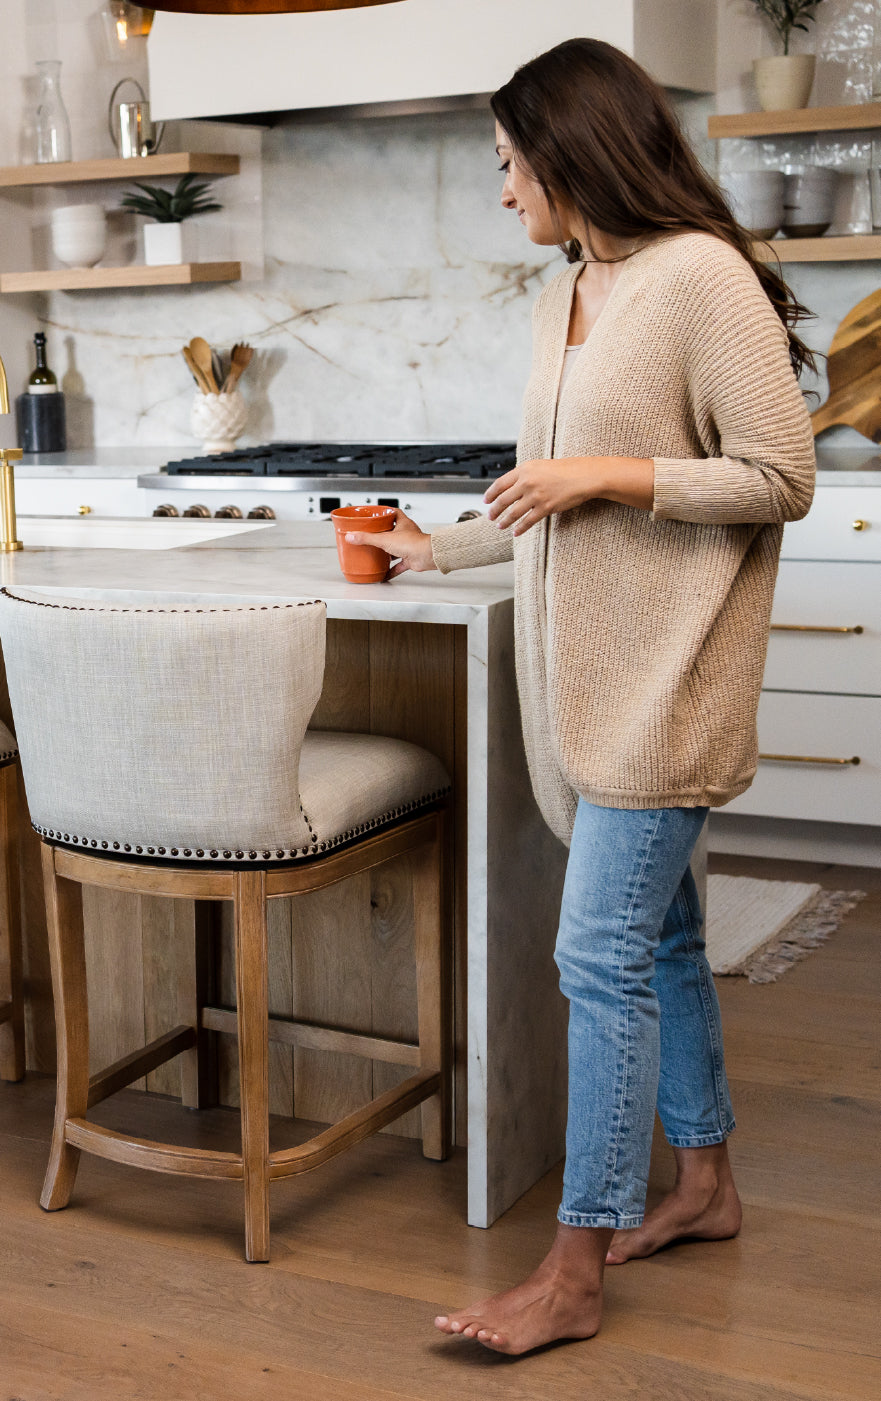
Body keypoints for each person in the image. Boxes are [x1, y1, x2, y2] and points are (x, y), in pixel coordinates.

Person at [344, 38, 816, 1355]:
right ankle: (706, 1183)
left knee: (593, 957)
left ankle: (572, 1271)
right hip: (588, 688)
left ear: (567, 150)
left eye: (506, 162)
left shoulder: (697, 278)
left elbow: (778, 475)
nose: (501, 190)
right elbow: (553, 490)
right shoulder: (574, 288)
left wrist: (609, 474)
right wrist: (446, 545)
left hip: (665, 682)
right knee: (657, 940)